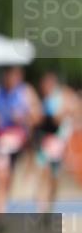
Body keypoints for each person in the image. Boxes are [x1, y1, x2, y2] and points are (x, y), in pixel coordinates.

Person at [0, 66, 41, 227]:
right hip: (1, 141)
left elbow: (37, 116)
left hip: (20, 141)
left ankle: (2, 207)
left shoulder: (26, 92)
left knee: (10, 178)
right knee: (2, 177)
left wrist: (24, 118)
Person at [34, 72, 76, 217]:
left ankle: (49, 204)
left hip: (57, 141)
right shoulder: (43, 100)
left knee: (54, 177)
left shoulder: (62, 96)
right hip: (45, 140)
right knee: (43, 172)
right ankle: (42, 205)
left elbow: (66, 115)